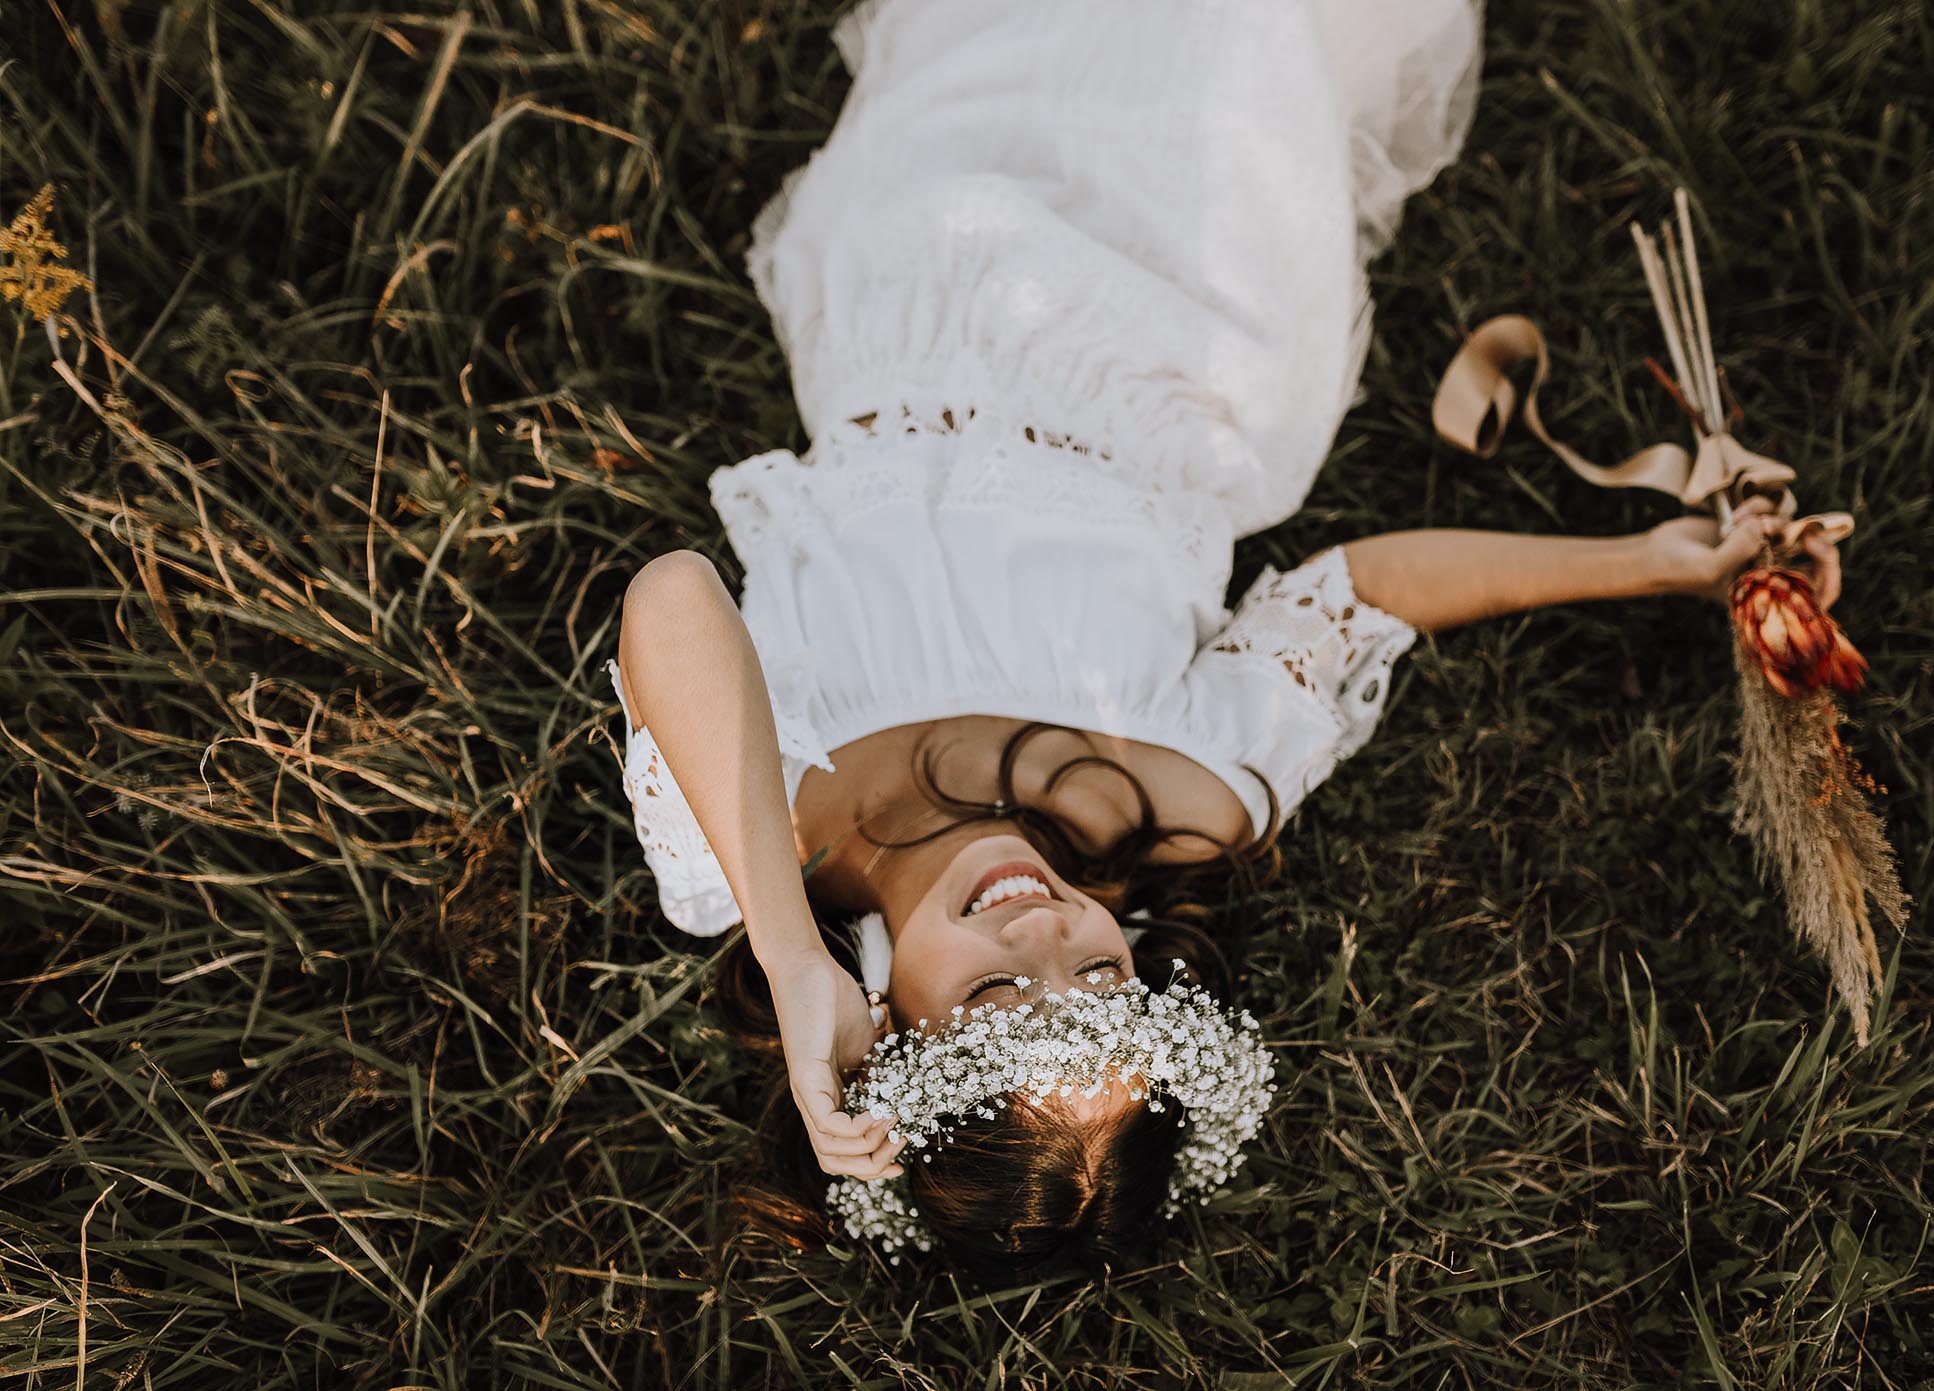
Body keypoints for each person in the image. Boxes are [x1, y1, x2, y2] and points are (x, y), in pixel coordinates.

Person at [605, 0, 1843, 1277]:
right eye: (1097, 984)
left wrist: (787, 945)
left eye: (990, 997)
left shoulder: (754, 850)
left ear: (880, 1027)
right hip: (1184, 348)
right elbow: (1361, 592)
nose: (1043, 937)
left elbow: (673, 598)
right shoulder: (1187, 793)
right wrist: (1646, 564)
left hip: (925, 281)